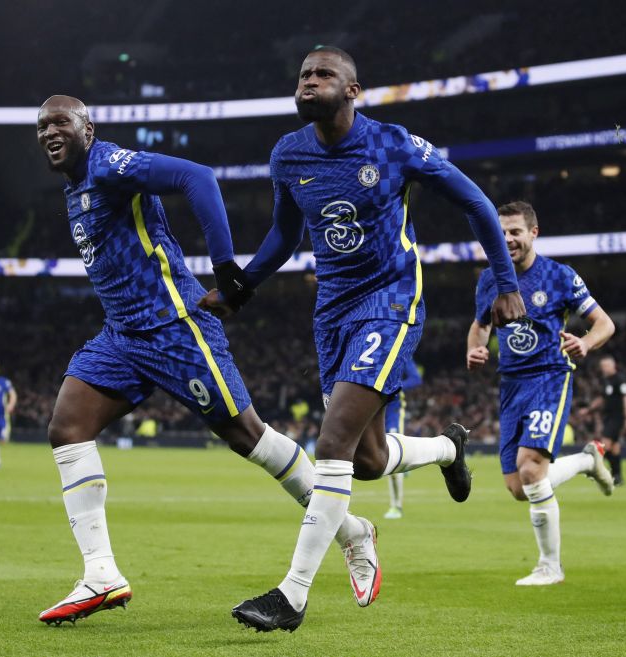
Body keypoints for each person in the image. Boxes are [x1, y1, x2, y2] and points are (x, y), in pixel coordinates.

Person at [200, 47, 526, 632]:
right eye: (304, 74)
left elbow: (476, 202)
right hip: (332, 311)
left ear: (353, 91)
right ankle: (448, 449)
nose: (309, 81)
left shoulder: (394, 144)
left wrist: (506, 283)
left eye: (323, 74)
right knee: (368, 461)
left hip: (390, 301)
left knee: (332, 441)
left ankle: (292, 595)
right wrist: (242, 286)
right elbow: (284, 235)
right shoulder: (288, 153)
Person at [33, 94, 378, 626]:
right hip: (122, 335)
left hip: (174, 326)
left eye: (61, 122)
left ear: (88, 129)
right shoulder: (75, 185)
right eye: (42, 126)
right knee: (67, 427)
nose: (50, 132)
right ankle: (101, 573)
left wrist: (224, 268)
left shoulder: (109, 164)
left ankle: (351, 530)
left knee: (248, 437)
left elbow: (197, 176)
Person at [466, 201, 616, 586]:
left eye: (515, 231)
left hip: (549, 377)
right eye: (500, 232)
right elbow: (480, 325)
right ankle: (586, 461)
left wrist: (586, 343)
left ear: (534, 233)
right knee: (519, 487)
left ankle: (550, 566)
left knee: (532, 469)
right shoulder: (489, 280)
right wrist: (475, 348)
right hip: (510, 384)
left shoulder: (560, 276)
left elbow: (604, 323)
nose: (507, 239)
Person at [384, 359, 422, 519]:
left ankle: (396, 507)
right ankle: (406, 462)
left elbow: (416, 379)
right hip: (374, 410)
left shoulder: (401, 355)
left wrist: (394, 386)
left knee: (391, 457)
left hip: (393, 413)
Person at [589, 354, 626, 485]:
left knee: (605, 445)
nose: (604, 368)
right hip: (608, 417)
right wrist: (589, 409)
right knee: (614, 447)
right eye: (602, 366)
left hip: (617, 417)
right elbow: (602, 398)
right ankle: (617, 477)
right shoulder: (606, 380)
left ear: (613, 365)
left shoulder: (620, 379)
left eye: (606, 365)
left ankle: (597, 472)